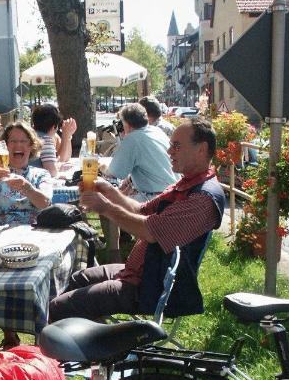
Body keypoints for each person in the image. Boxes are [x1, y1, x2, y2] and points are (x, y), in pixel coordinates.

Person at [49, 117, 225, 322]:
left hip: (150, 286)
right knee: (78, 279)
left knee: (59, 308)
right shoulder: (187, 184)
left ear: (201, 149)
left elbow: (149, 231)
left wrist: (105, 207)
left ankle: (95, 347)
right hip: (140, 272)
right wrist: (108, 191)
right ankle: (94, 339)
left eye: (176, 146)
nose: (169, 152)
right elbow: (142, 210)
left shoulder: (203, 198)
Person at [0, 121, 53, 226]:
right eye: (13, 141)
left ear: (31, 146)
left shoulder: (41, 174)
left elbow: (45, 203)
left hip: (31, 233)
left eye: (23, 141)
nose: (18, 145)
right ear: (5, 146)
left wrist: (27, 188)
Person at [107, 103, 176, 202]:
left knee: (107, 205)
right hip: (172, 193)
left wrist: (102, 167)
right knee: (123, 195)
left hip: (155, 199)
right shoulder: (156, 131)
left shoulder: (132, 138)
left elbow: (114, 173)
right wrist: (131, 180)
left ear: (126, 124)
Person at [30, 103, 76, 177]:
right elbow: (52, 172)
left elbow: (66, 158)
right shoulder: (44, 140)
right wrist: (66, 135)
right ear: (54, 126)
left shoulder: (33, 136)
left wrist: (68, 136)